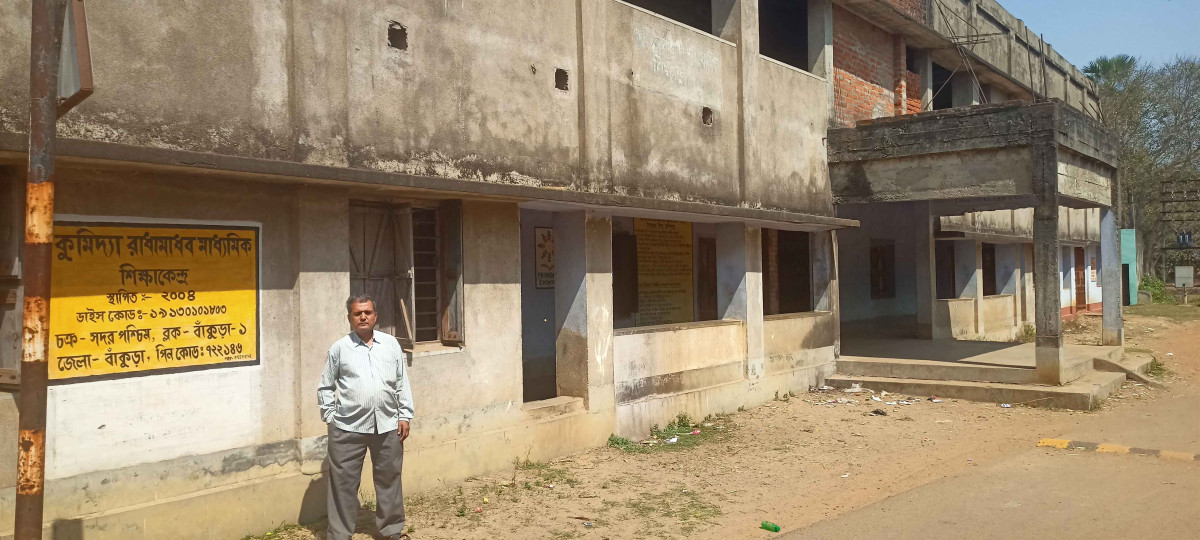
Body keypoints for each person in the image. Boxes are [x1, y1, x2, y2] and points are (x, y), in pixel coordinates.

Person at [318, 294, 414, 540]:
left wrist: (405, 414)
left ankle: (391, 531)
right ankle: (339, 535)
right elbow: (325, 386)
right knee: (343, 485)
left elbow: (402, 382)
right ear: (350, 318)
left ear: (375, 316)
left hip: (388, 425)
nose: (363, 317)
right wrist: (330, 416)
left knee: (389, 480)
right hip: (348, 428)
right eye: (357, 313)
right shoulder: (339, 348)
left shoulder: (391, 344)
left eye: (367, 312)